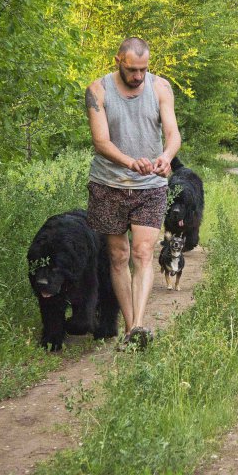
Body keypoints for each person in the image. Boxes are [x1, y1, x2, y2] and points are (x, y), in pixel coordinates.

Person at [84, 37, 181, 349]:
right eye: (132, 69)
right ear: (118, 61)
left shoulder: (161, 88)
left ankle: (138, 325)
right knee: (118, 255)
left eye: (143, 69)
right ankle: (130, 328)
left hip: (150, 186)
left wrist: (166, 157)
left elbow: (172, 133)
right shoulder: (97, 91)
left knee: (142, 253)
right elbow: (101, 141)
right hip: (109, 184)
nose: (138, 75)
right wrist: (130, 162)